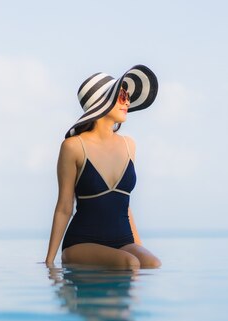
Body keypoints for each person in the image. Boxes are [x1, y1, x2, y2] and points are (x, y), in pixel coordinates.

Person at [44, 65, 162, 270]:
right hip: (82, 242)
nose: (128, 100)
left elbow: (125, 205)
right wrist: (49, 262)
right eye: (122, 95)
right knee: (130, 263)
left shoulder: (129, 145)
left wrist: (138, 247)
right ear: (102, 102)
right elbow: (64, 207)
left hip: (123, 241)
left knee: (152, 263)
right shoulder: (73, 147)